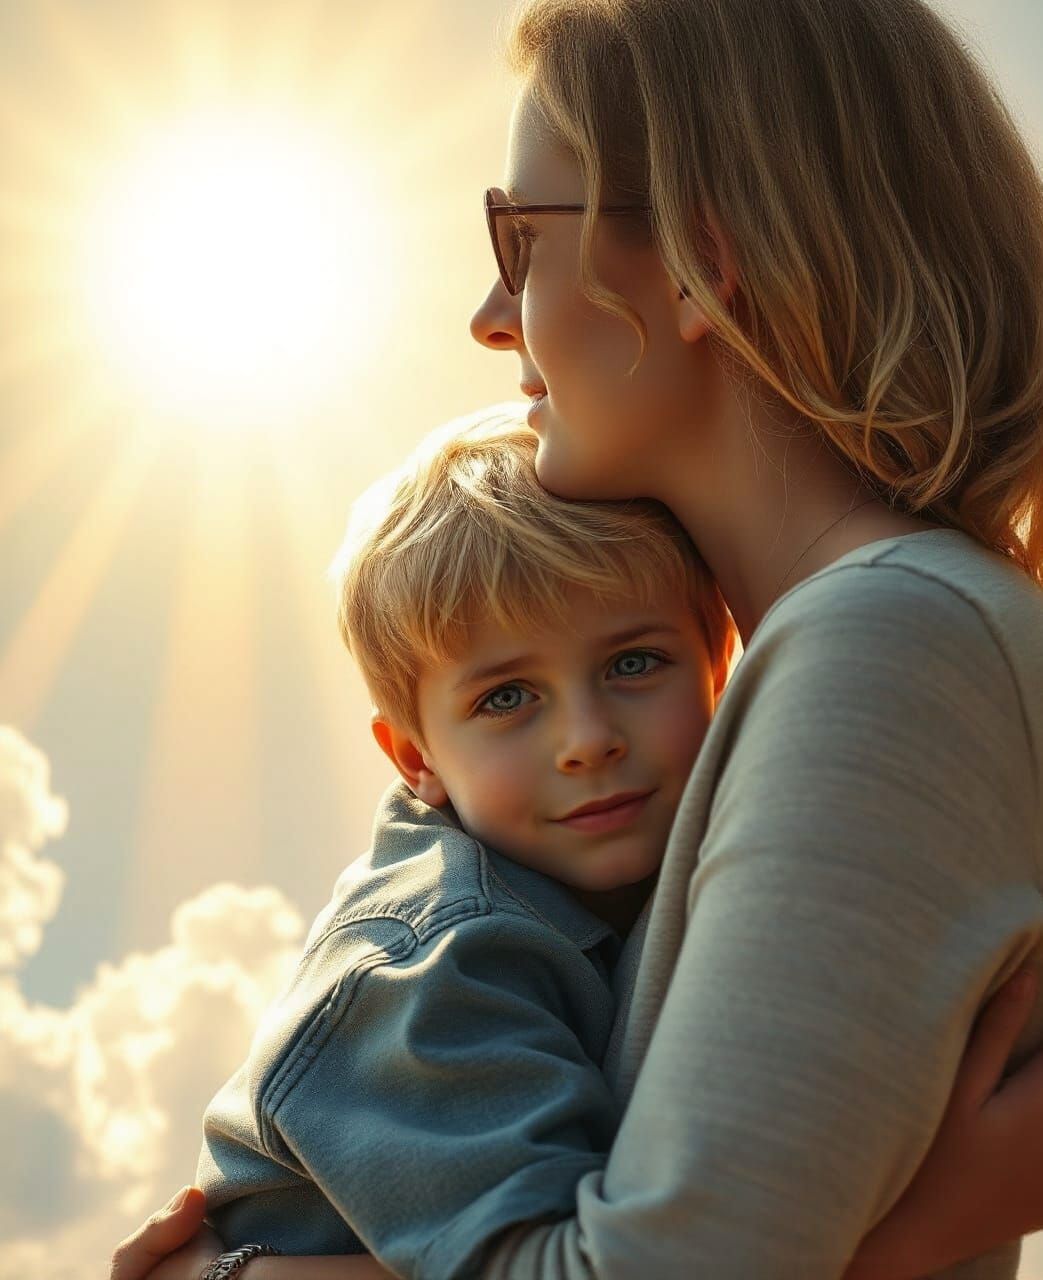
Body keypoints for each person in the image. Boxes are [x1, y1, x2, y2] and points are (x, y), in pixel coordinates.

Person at [112, 0, 1043, 1277]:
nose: (493, 314)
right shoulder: (867, 641)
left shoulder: (888, 640)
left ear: (702, 268)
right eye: (504, 698)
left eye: (520, 236)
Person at [192, 410, 738, 1276]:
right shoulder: (434, 960)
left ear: (719, 665)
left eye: (632, 663)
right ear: (417, 759)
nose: (587, 739)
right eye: (506, 698)